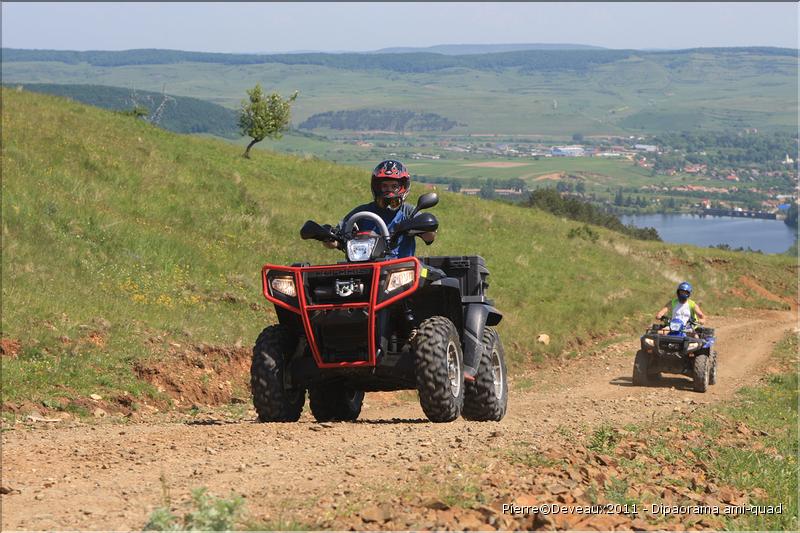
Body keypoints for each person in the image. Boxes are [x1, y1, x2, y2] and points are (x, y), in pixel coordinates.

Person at [323, 160, 436, 258]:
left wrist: (421, 226)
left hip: (401, 267)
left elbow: (429, 237)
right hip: (366, 265)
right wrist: (328, 236)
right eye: (384, 186)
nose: (389, 190)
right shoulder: (362, 213)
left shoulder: (409, 211)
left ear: (403, 187)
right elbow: (336, 239)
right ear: (377, 187)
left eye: (394, 186)